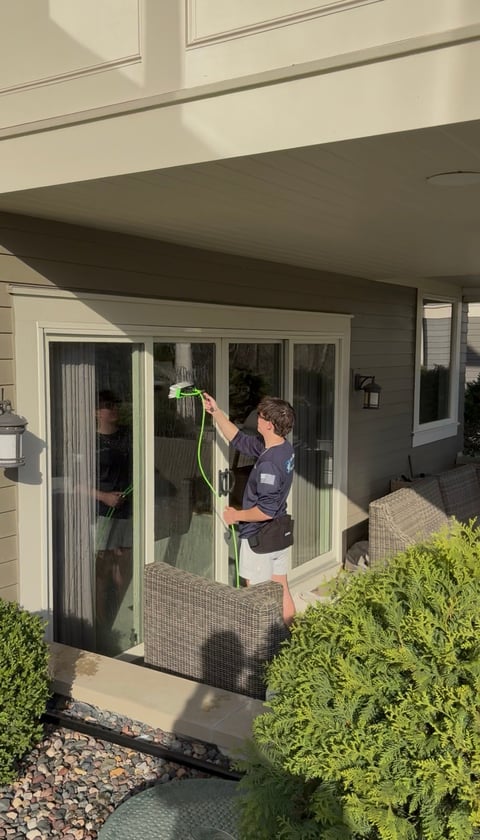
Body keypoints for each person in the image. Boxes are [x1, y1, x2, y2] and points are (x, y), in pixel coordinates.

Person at [203, 392, 296, 625]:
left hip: (260, 537)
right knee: (281, 587)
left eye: (261, 416)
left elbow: (265, 510)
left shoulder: (269, 464)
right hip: (279, 534)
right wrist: (216, 412)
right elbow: (239, 440)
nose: (257, 418)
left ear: (269, 425)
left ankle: (264, 648)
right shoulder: (281, 448)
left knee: (258, 597)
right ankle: (292, 641)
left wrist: (236, 516)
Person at [94, 390, 133, 625]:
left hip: (127, 510)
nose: (114, 409)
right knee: (103, 569)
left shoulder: (127, 435)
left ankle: (119, 621)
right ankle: (100, 623)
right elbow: (74, 483)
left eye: (116, 404)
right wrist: (103, 496)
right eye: (109, 405)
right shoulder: (91, 441)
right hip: (102, 513)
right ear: (96, 412)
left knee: (123, 567)